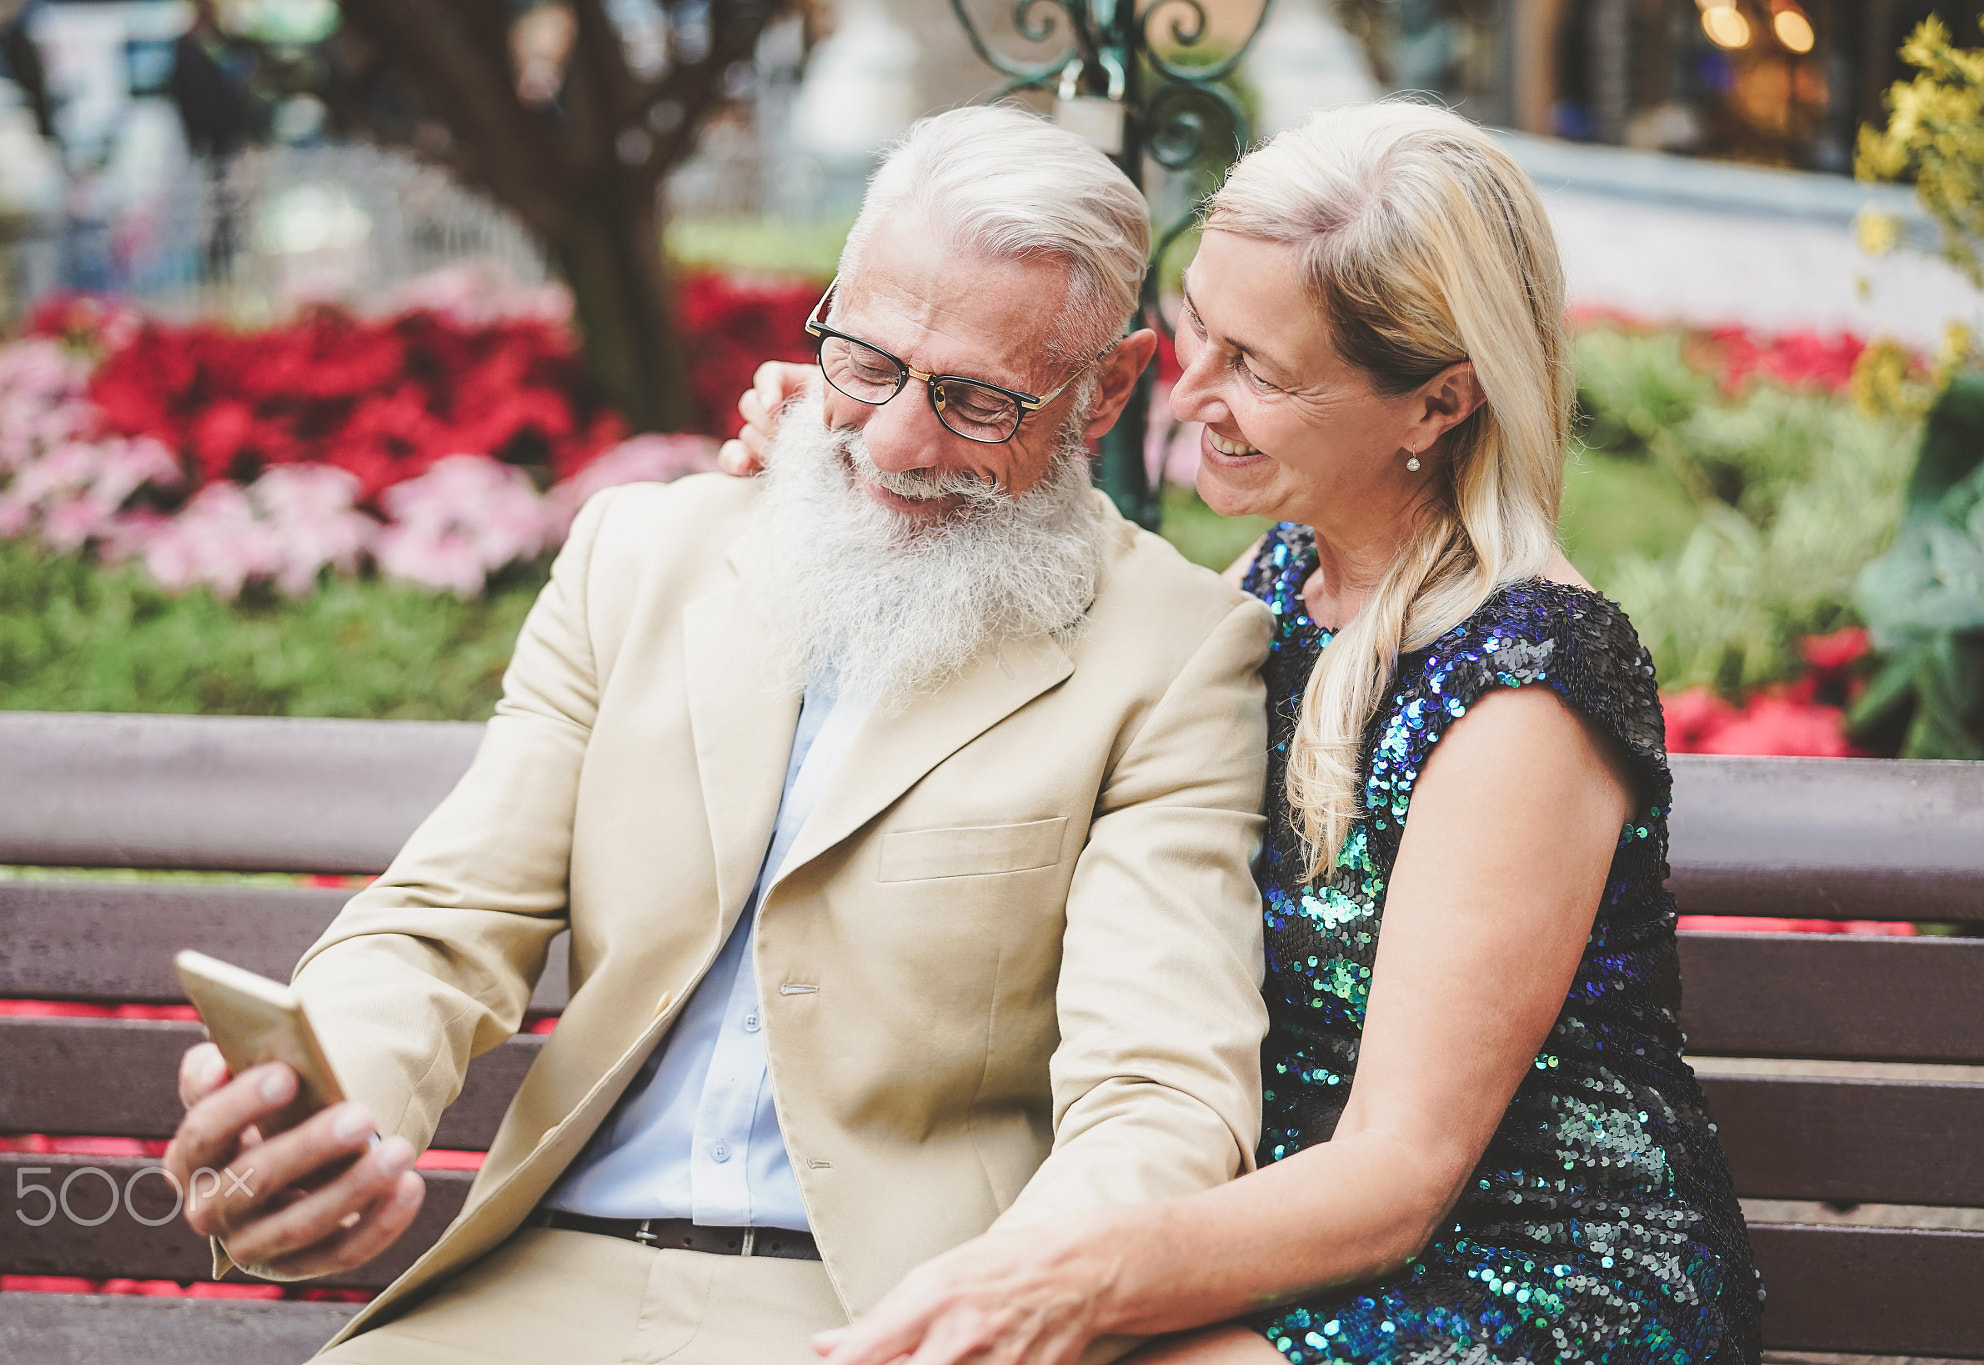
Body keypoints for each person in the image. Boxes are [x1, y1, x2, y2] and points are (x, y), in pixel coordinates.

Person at [161, 105, 1273, 1364]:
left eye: (976, 401)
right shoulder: (637, 556)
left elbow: (1156, 1090)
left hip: (889, 1313)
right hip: (539, 1280)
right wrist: (324, 1115)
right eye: (865, 363)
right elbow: (440, 926)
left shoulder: (1174, 651)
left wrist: (1018, 1300)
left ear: (1108, 387)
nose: (899, 442)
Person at [722, 100, 1764, 1365]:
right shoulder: (1282, 579)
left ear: (1435, 405)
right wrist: (864, 450)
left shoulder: (1523, 685)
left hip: (1520, 1270)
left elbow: (1397, 1174)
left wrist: (1060, 1279)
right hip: (1263, 1233)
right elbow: (1056, 626)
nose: (1189, 389)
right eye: (1197, 324)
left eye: (1257, 369)